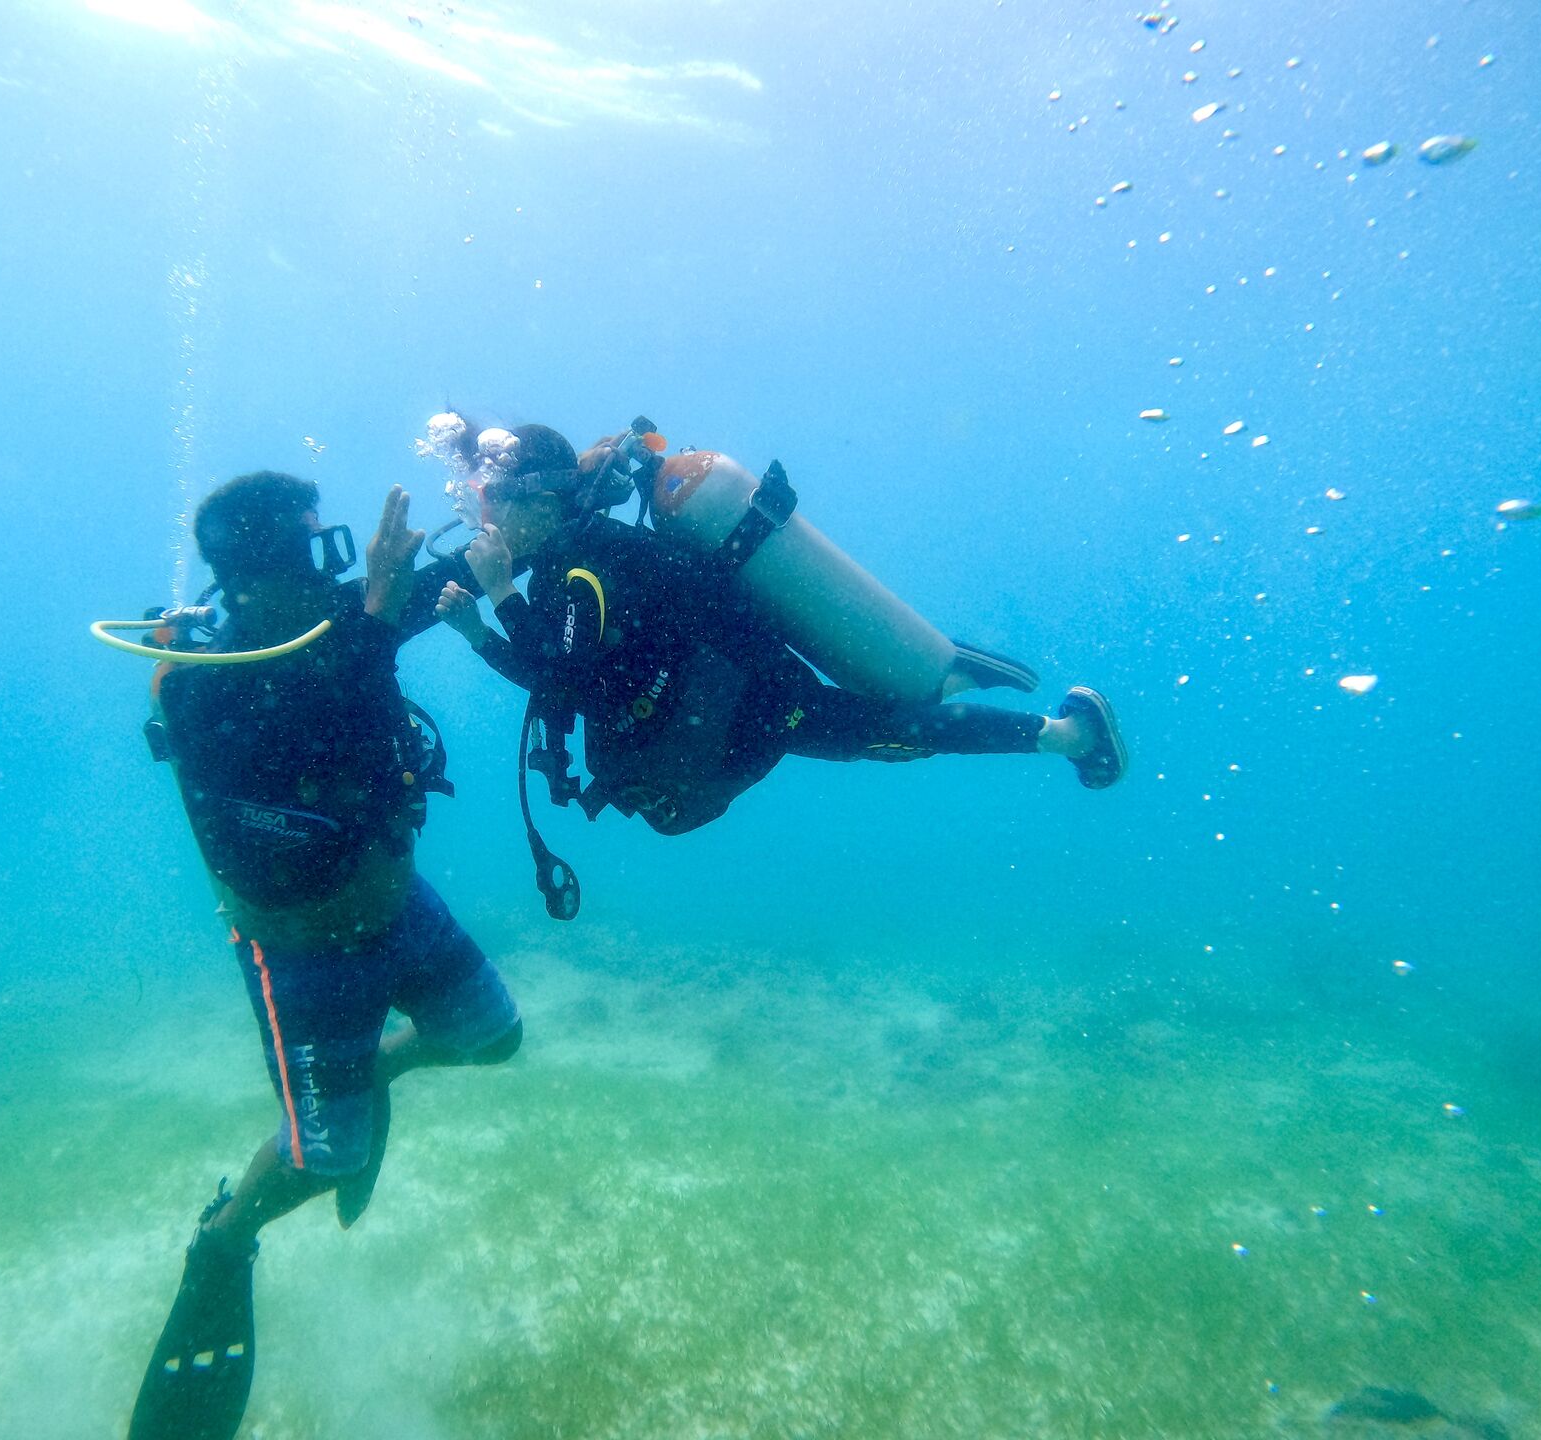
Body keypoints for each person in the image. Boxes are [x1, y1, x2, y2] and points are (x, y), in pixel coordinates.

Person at [125, 473, 523, 1440]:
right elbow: (314, 719)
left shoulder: (340, 621)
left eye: (327, 542)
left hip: (401, 906)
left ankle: (369, 1069)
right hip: (302, 954)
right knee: (324, 1157)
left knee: (493, 1037)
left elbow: (435, 588)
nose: (332, 561)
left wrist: (532, 510)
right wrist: (378, 609)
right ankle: (224, 1241)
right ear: (259, 572)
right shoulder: (200, 684)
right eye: (312, 545)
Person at [430, 421, 1125, 868]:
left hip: (749, 711)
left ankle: (1072, 733)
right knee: (889, 728)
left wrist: (500, 595)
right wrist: (480, 635)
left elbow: (569, 681)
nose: (481, 517)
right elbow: (562, 673)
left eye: (492, 501)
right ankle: (961, 678)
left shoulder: (583, 564)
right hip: (726, 709)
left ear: (541, 502)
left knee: (897, 733)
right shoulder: (567, 565)